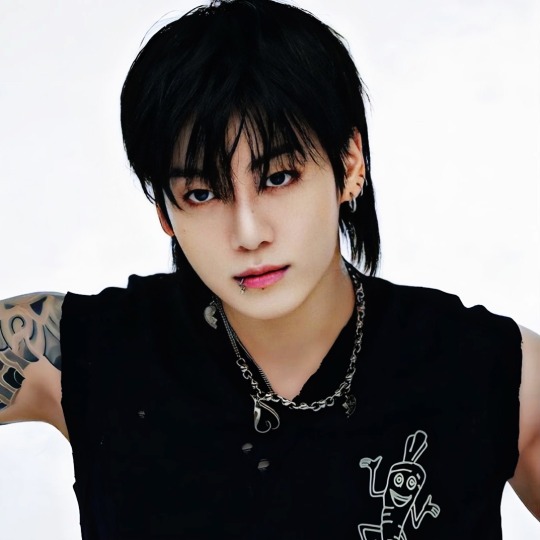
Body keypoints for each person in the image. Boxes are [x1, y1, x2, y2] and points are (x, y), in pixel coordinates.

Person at [0, 0, 539, 538]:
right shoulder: (78, 351)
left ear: (349, 165)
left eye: (278, 178)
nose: (249, 232)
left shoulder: (493, 370)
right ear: (164, 211)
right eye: (202, 192)